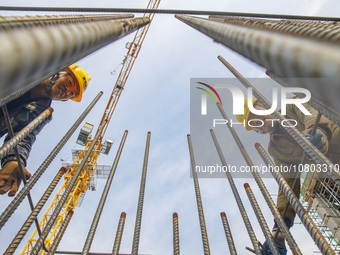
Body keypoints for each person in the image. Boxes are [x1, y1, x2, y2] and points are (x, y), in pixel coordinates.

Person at [236, 97, 340, 255]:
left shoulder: (291, 107)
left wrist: (318, 130)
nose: (260, 122)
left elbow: (311, 114)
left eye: (258, 114)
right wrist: (280, 228)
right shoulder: (276, 150)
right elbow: (288, 183)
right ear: (259, 132)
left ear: (264, 106)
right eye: (254, 124)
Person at [0, 64, 91, 197]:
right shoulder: (30, 68)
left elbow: (24, 137)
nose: (67, 90)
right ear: (60, 73)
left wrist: (14, 161)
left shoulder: (40, 113)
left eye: (72, 93)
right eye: (69, 82)